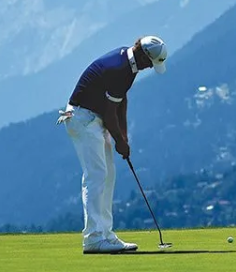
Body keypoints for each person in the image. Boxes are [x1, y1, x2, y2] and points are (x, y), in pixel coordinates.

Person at [57, 35, 168, 254]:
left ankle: (105, 234)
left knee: (107, 175)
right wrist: (120, 142)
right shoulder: (120, 69)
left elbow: (120, 101)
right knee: (96, 175)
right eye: (150, 63)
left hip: (92, 117)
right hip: (83, 119)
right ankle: (93, 238)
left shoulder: (128, 64)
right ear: (144, 56)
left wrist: (123, 137)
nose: (149, 68)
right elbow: (110, 115)